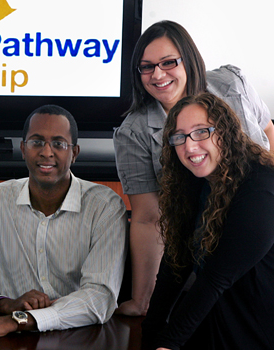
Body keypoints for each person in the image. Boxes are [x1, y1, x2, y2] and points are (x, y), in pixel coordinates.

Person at [112, 20, 274, 316]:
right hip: (212, 254)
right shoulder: (132, 133)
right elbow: (149, 218)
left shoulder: (230, 83)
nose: (157, 74)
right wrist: (142, 299)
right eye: (146, 67)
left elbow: (269, 136)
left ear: (189, 59)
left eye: (168, 62)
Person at [0, 105, 128, 338]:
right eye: (37, 142)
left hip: (79, 338)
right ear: (23, 149)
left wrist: (18, 321)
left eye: (58, 143)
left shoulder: (105, 206)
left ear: (74, 152)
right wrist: (6, 305)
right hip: (4, 339)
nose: (47, 152)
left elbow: (99, 297)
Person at [142, 92, 274, 350]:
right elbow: (174, 267)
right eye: (179, 137)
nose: (189, 146)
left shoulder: (262, 187)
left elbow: (215, 280)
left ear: (225, 132)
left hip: (255, 329)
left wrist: (166, 344)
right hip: (215, 318)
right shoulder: (193, 182)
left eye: (201, 131)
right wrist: (149, 337)